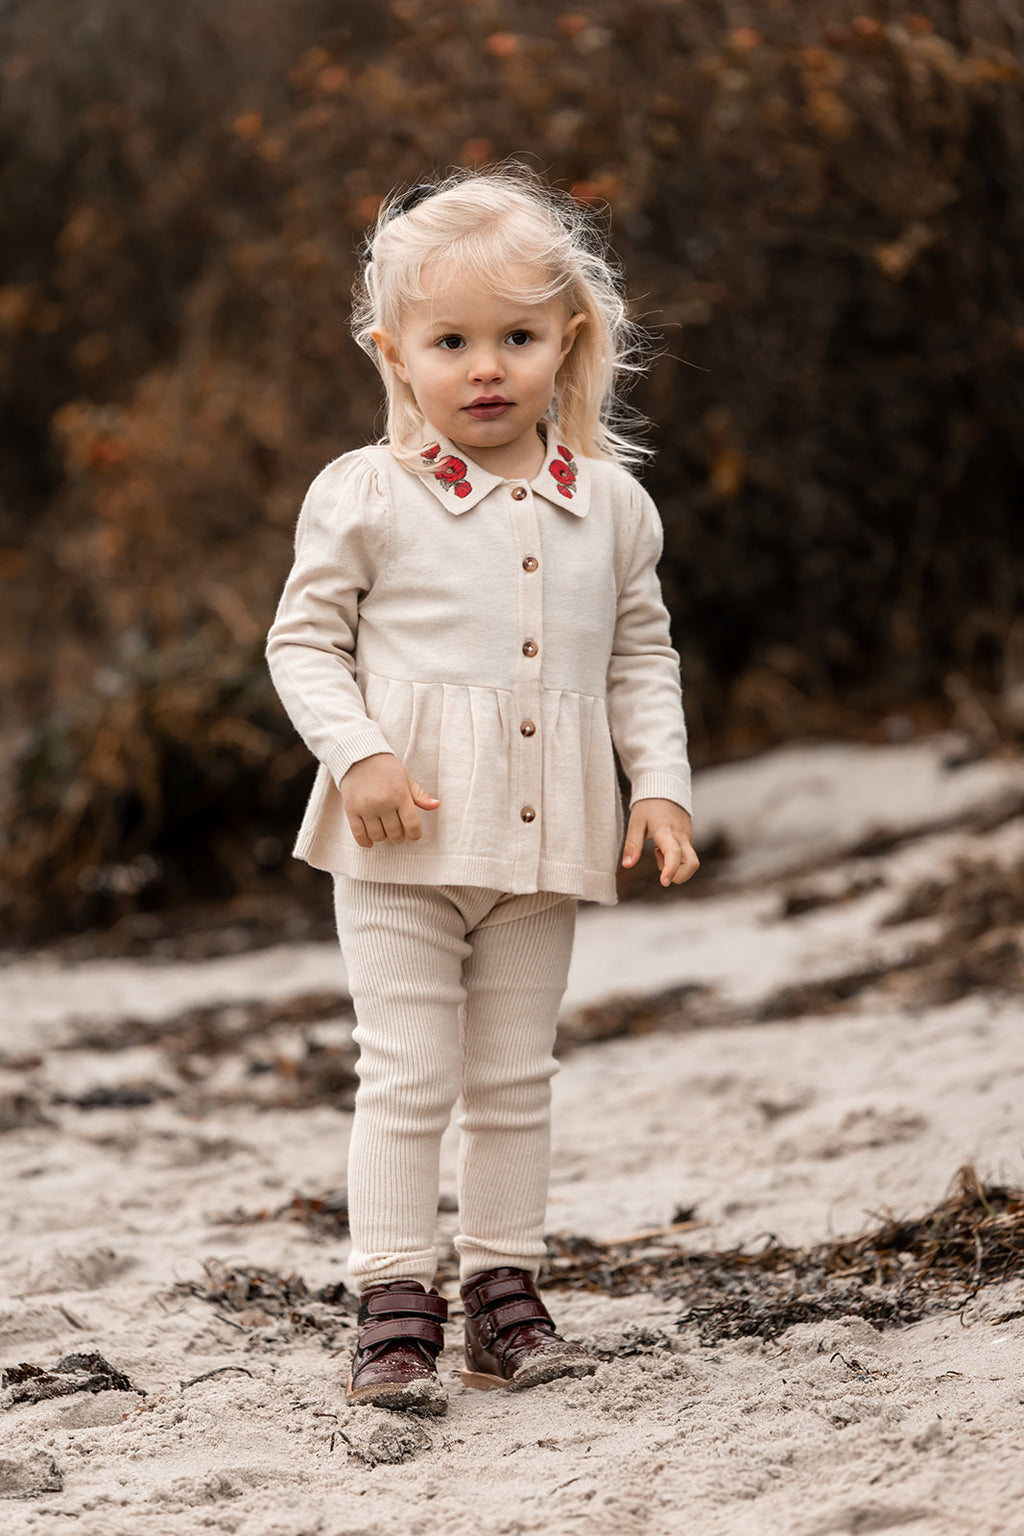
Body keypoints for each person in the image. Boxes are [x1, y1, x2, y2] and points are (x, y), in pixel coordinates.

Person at [266, 168, 698, 1417]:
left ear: (567, 339)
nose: (486, 368)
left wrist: (659, 785)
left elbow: (640, 655)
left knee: (514, 1078)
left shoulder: (609, 506)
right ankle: (393, 1305)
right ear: (393, 353)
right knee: (405, 1075)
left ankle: (503, 1296)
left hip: (545, 838)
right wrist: (359, 754)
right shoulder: (366, 491)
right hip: (399, 840)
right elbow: (304, 643)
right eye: (450, 342)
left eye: (516, 337)